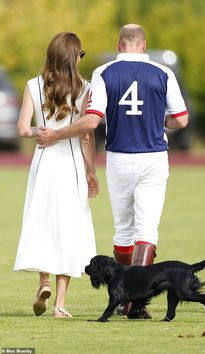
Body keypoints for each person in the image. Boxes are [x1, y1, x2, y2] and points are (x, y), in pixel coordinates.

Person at [36, 24, 189, 318]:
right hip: (154, 157)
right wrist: (160, 123)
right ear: (143, 45)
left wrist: (56, 134)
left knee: (124, 230)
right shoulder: (164, 73)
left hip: (119, 157)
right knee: (147, 230)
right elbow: (181, 120)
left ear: (120, 46)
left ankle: (125, 300)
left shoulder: (104, 73)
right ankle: (135, 303)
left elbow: (92, 122)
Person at [14, 32, 99, 318]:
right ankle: (60, 304)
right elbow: (86, 135)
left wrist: (43, 132)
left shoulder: (32, 85)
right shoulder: (85, 88)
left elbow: (23, 129)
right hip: (72, 163)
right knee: (71, 228)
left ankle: (43, 282)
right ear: (73, 57)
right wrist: (91, 171)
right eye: (81, 54)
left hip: (44, 162)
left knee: (43, 221)